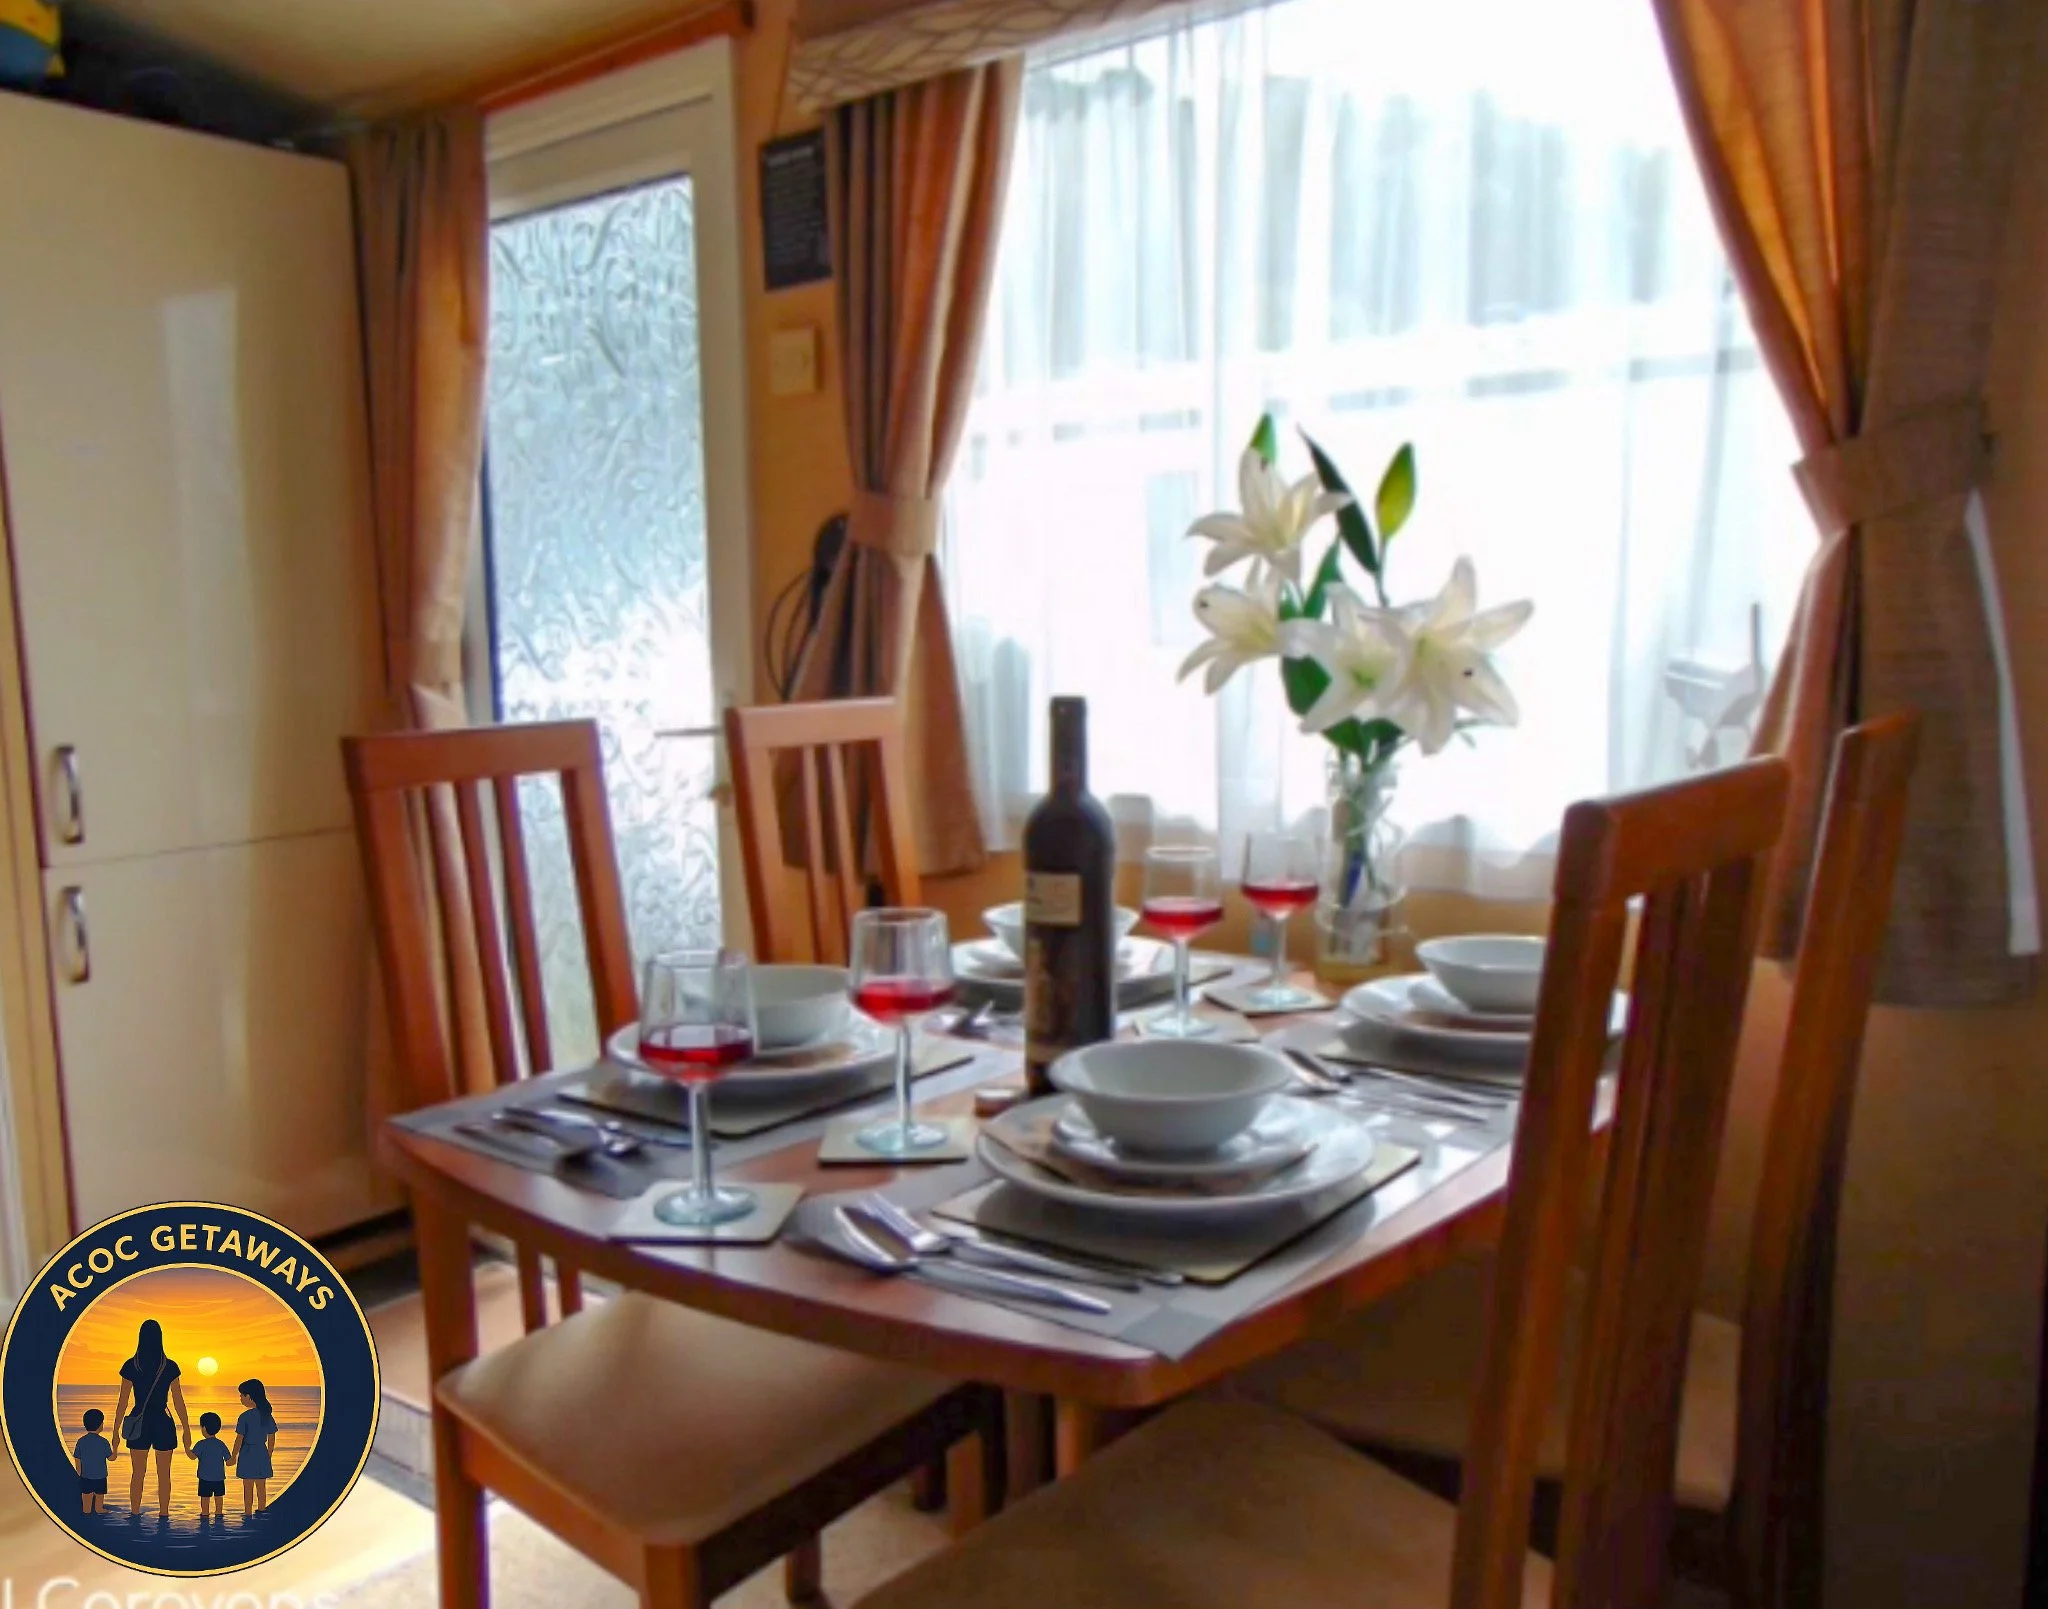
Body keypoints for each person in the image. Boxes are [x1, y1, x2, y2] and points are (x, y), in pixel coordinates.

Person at [107, 1319, 189, 1517]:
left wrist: (116, 1431)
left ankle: (135, 1514)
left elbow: (123, 1402)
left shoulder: (131, 1365)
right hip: (163, 1422)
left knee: (137, 1474)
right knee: (164, 1475)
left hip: (138, 1423)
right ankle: (164, 1514)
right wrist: (186, 1428)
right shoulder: (169, 1366)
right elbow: (178, 1401)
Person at [232, 1379, 276, 1516]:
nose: (240, 1398)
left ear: (249, 1396)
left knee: (248, 1486)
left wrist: (233, 1456)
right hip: (261, 1452)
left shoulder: (244, 1417)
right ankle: (261, 1509)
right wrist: (268, 1454)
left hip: (247, 1453)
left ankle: (248, 1512)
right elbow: (272, 1436)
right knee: (261, 1485)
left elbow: (239, 1439)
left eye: (242, 1395)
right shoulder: (266, 1415)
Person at [188, 1412, 230, 1520]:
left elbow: (192, 1456)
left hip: (204, 1478)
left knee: (205, 1498)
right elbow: (229, 1460)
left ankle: (205, 1515)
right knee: (219, 1498)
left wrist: (186, 1447)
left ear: (204, 1428)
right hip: (219, 1478)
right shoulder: (221, 1444)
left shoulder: (201, 1444)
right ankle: (219, 1514)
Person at [73, 1408, 111, 1514]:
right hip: (100, 1476)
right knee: (99, 1498)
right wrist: (116, 1448)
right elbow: (111, 1457)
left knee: (86, 1500)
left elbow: (77, 1457)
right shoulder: (104, 1442)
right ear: (100, 1425)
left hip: (86, 1476)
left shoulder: (81, 1441)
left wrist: (79, 1472)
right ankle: (99, 1509)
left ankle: (87, 1511)